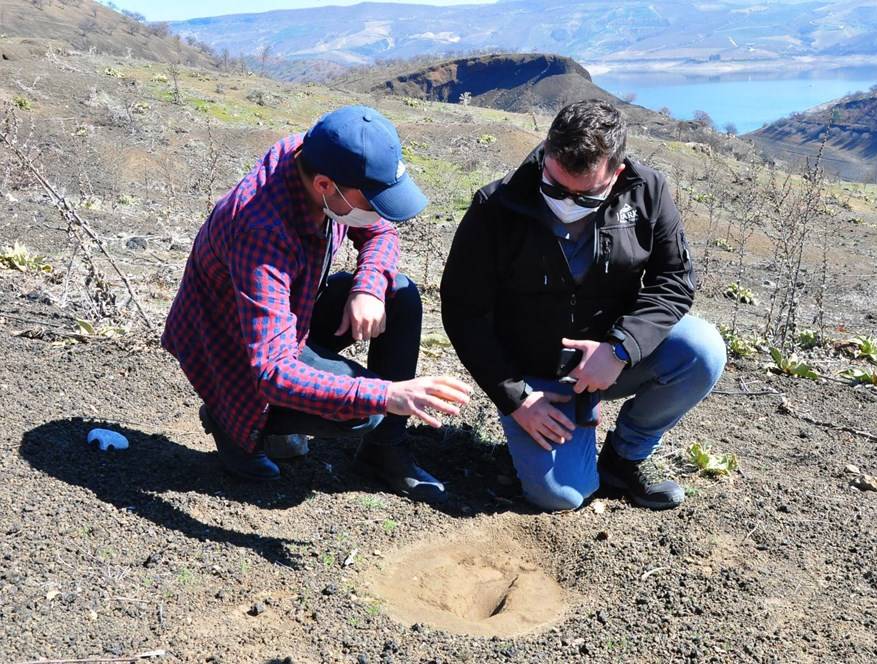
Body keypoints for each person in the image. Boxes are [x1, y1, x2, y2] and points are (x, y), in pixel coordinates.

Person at [162, 105, 470, 504]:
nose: (378, 209)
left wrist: (369, 287)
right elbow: (272, 371)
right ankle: (230, 419)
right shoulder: (261, 231)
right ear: (325, 185)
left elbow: (381, 232)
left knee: (401, 296)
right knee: (368, 408)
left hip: (292, 312)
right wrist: (389, 395)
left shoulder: (316, 159)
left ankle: (383, 453)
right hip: (233, 350)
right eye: (372, 199)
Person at [441, 99, 726, 512]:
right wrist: (516, 399)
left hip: (613, 361)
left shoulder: (648, 191)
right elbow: (463, 312)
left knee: (702, 348)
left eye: (586, 195)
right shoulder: (497, 207)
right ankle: (565, 440)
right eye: (555, 188)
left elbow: (674, 281)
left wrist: (620, 348)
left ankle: (625, 458)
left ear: (617, 171)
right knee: (562, 496)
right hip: (537, 376)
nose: (567, 201)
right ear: (547, 153)